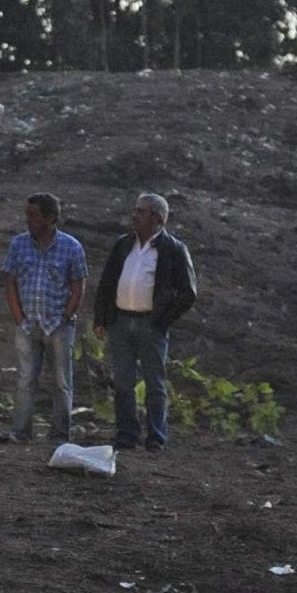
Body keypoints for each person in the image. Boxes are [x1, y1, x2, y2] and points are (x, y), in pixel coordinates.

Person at [92, 192, 197, 451]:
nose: (134, 215)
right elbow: (106, 284)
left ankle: (156, 437)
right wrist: (102, 318)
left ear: (157, 217)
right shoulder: (123, 244)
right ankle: (127, 435)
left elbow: (188, 292)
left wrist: (162, 321)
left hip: (150, 325)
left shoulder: (173, 249)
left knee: (154, 384)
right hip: (121, 321)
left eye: (140, 211)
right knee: (123, 383)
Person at [2, 193, 87, 444]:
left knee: (61, 382)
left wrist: (66, 316)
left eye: (34, 215)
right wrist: (20, 319)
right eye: (27, 214)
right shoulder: (19, 244)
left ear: (50, 218)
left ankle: (59, 435)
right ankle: (20, 432)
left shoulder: (71, 247)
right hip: (28, 324)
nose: (27, 220)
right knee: (26, 380)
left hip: (58, 325)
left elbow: (79, 286)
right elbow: (10, 282)